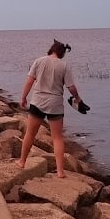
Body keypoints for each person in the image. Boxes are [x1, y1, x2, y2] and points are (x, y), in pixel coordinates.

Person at [17, 39, 83, 179]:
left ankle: (22, 162)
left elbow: (29, 81)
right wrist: (77, 98)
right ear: (62, 53)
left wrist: (23, 97)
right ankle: (60, 172)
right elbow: (71, 87)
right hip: (55, 104)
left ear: (51, 49)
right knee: (57, 138)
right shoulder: (64, 65)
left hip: (37, 101)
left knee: (30, 133)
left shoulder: (39, 61)